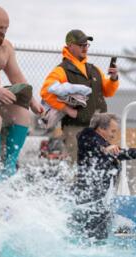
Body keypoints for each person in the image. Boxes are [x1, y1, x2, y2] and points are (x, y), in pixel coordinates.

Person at [0, 6, 44, 191]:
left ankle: (8, 168)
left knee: (23, 115)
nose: (3, 32)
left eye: (6, 28)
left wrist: (33, 102)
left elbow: (16, 76)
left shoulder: (5, 47)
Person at [69, 113, 136, 241]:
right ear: (101, 128)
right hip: (87, 193)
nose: (114, 135)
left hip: (98, 196)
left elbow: (120, 153)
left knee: (100, 220)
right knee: (92, 223)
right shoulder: (87, 135)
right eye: (112, 131)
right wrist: (104, 149)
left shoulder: (105, 143)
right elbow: (91, 144)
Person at [40, 29, 119, 161]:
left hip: (99, 129)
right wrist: (67, 110)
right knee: (79, 167)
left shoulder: (94, 69)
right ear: (70, 46)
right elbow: (46, 91)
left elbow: (108, 92)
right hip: (75, 128)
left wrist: (114, 78)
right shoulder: (62, 70)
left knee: (102, 165)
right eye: (81, 45)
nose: (85, 48)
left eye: (86, 45)